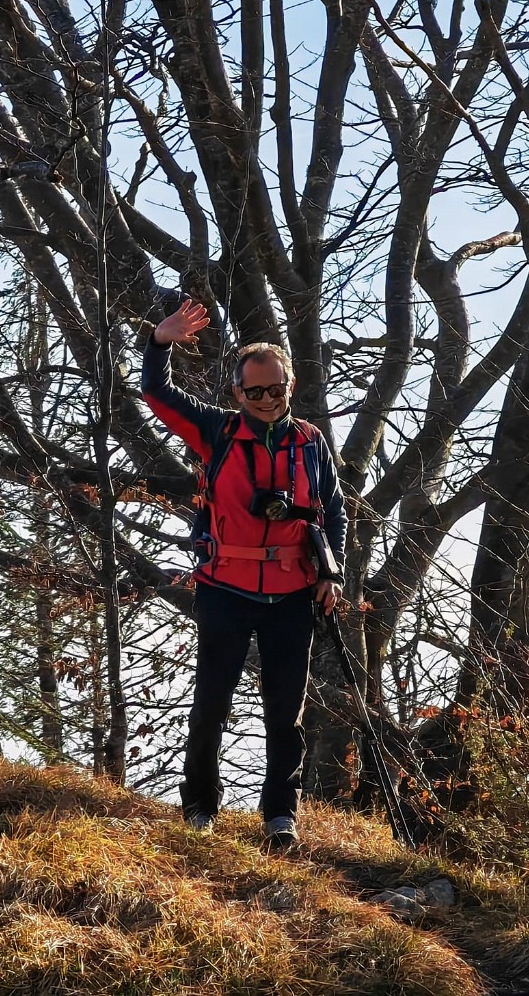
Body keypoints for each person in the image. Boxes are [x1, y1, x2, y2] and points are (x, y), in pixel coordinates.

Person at [142, 298, 345, 850]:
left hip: (294, 591)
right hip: (224, 588)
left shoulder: (310, 441)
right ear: (237, 393)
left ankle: (281, 816)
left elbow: (333, 508)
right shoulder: (217, 431)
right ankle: (200, 809)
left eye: (275, 389)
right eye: (254, 391)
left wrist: (333, 573)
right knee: (212, 702)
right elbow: (157, 396)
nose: (266, 399)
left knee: (287, 711)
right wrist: (159, 343)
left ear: (290, 385)